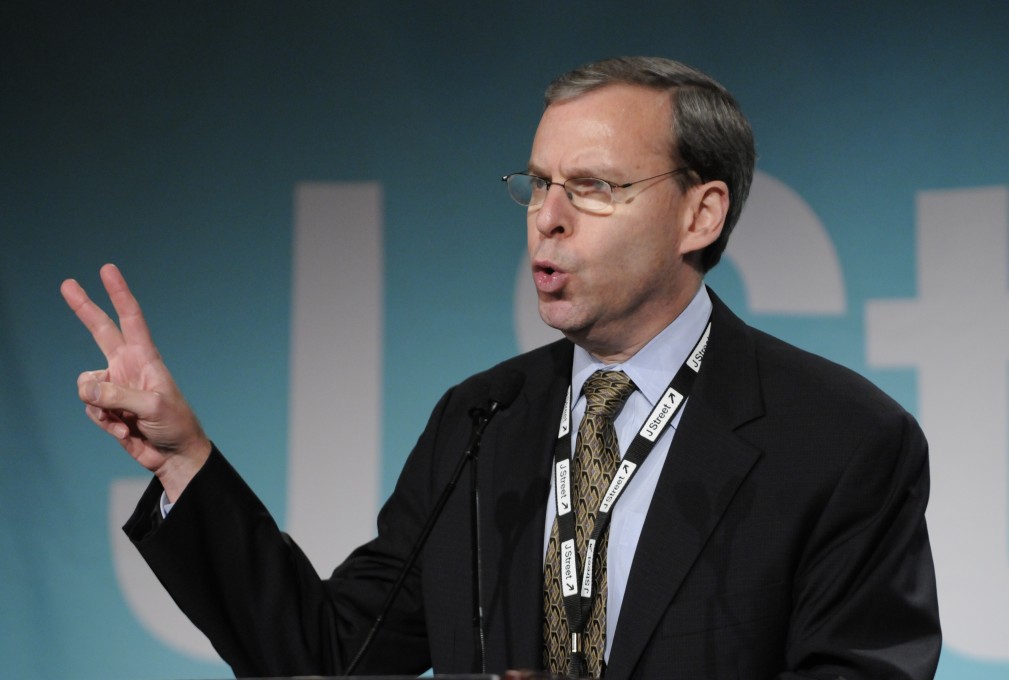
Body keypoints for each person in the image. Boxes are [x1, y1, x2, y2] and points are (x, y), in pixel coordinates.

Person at [62, 56, 941, 679]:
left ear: (700, 214)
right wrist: (185, 459)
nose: (547, 219)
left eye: (593, 187)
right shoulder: (483, 420)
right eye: (537, 184)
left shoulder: (840, 440)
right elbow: (331, 656)